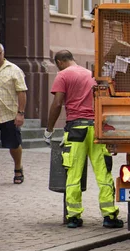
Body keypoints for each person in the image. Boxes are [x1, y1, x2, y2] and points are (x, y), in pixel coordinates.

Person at [45, 50, 123, 229]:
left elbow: (57, 104)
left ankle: (73, 216)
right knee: (103, 172)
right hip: (96, 129)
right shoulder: (90, 74)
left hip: (75, 129)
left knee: (73, 173)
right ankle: (109, 215)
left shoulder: (63, 75)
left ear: (59, 61)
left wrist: (49, 129)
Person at [0, 42, 28, 184]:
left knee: (14, 145)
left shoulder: (13, 70)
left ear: (3, 54)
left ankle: (18, 168)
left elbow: (21, 92)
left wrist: (20, 113)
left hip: (9, 114)